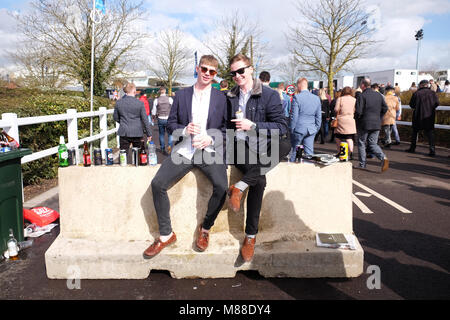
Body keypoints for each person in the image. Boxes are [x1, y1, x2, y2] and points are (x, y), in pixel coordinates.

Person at [144, 55, 228, 258]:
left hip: (208, 151)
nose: (208, 74)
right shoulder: (182, 95)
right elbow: (171, 125)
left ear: (215, 75)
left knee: (222, 187)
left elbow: (226, 129)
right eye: (205, 69)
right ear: (197, 69)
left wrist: (210, 138)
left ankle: (205, 229)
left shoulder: (221, 98)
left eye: (212, 72)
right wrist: (185, 130)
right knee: (158, 184)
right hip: (185, 150)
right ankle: (166, 235)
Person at [226, 53, 289, 262]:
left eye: (241, 71)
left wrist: (253, 126)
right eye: (233, 72)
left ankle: (240, 187)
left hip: (261, 146)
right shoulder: (230, 96)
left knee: (285, 144)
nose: (237, 76)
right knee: (260, 180)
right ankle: (251, 237)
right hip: (239, 148)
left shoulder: (269, 95)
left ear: (251, 69)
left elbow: (281, 127)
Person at [355, 79, 389, 172]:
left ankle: (362, 164)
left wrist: (357, 119)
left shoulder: (362, 96)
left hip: (364, 123)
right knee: (373, 143)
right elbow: (385, 108)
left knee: (362, 143)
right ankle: (383, 158)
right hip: (376, 122)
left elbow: (358, 111)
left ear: (362, 85)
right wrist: (379, 116)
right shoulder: (378, 95)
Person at [113, 83, 152, 163]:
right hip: (137, 132)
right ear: (134, 91)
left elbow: (115, 117)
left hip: (124, 131)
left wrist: (123, 122)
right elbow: (145, 120)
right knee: (138, 155)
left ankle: (123, 171)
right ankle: (137, 170)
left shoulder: (119, 103)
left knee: (123, 154)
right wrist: (149, 134)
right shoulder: (140, 103)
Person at [405, 79, 439, 157]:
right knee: (430, 133)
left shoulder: (416, 93)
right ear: (427, 85)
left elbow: (412, 105)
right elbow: (437, 104)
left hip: (418, 116)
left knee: (415, 132)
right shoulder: (433, 93)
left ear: (420, 85)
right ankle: (432, 150)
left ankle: (412, 148)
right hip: (429, 116)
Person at [289, 77, 321, 159]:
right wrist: (316, 128)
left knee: (294, 152)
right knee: (309, 154)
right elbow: (318, 116)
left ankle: (293, 169)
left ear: (299, 85)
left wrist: (292, 129)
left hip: (299, 129)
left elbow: (294, 116)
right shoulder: (316, 98)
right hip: (311, 129)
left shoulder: (297, 97)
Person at [334, 86, 356, 159]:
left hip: (341, 120)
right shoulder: (354, 99)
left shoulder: (340, 99)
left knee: (337, 136)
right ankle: (351, 152)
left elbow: (336, 109)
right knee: (349, 137)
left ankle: (339, 151)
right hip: (351, 119)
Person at [152, 87, 174, 155]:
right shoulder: (170, 99)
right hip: (168, 118)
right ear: (165, 91)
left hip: (160, 118)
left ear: (159, 91)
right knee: (170, 134)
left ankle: (162, 147)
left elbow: (153, 111)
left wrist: (153, 117)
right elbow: (173, 108)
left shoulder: (156, 100)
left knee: (161, 134)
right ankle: (169, 146)